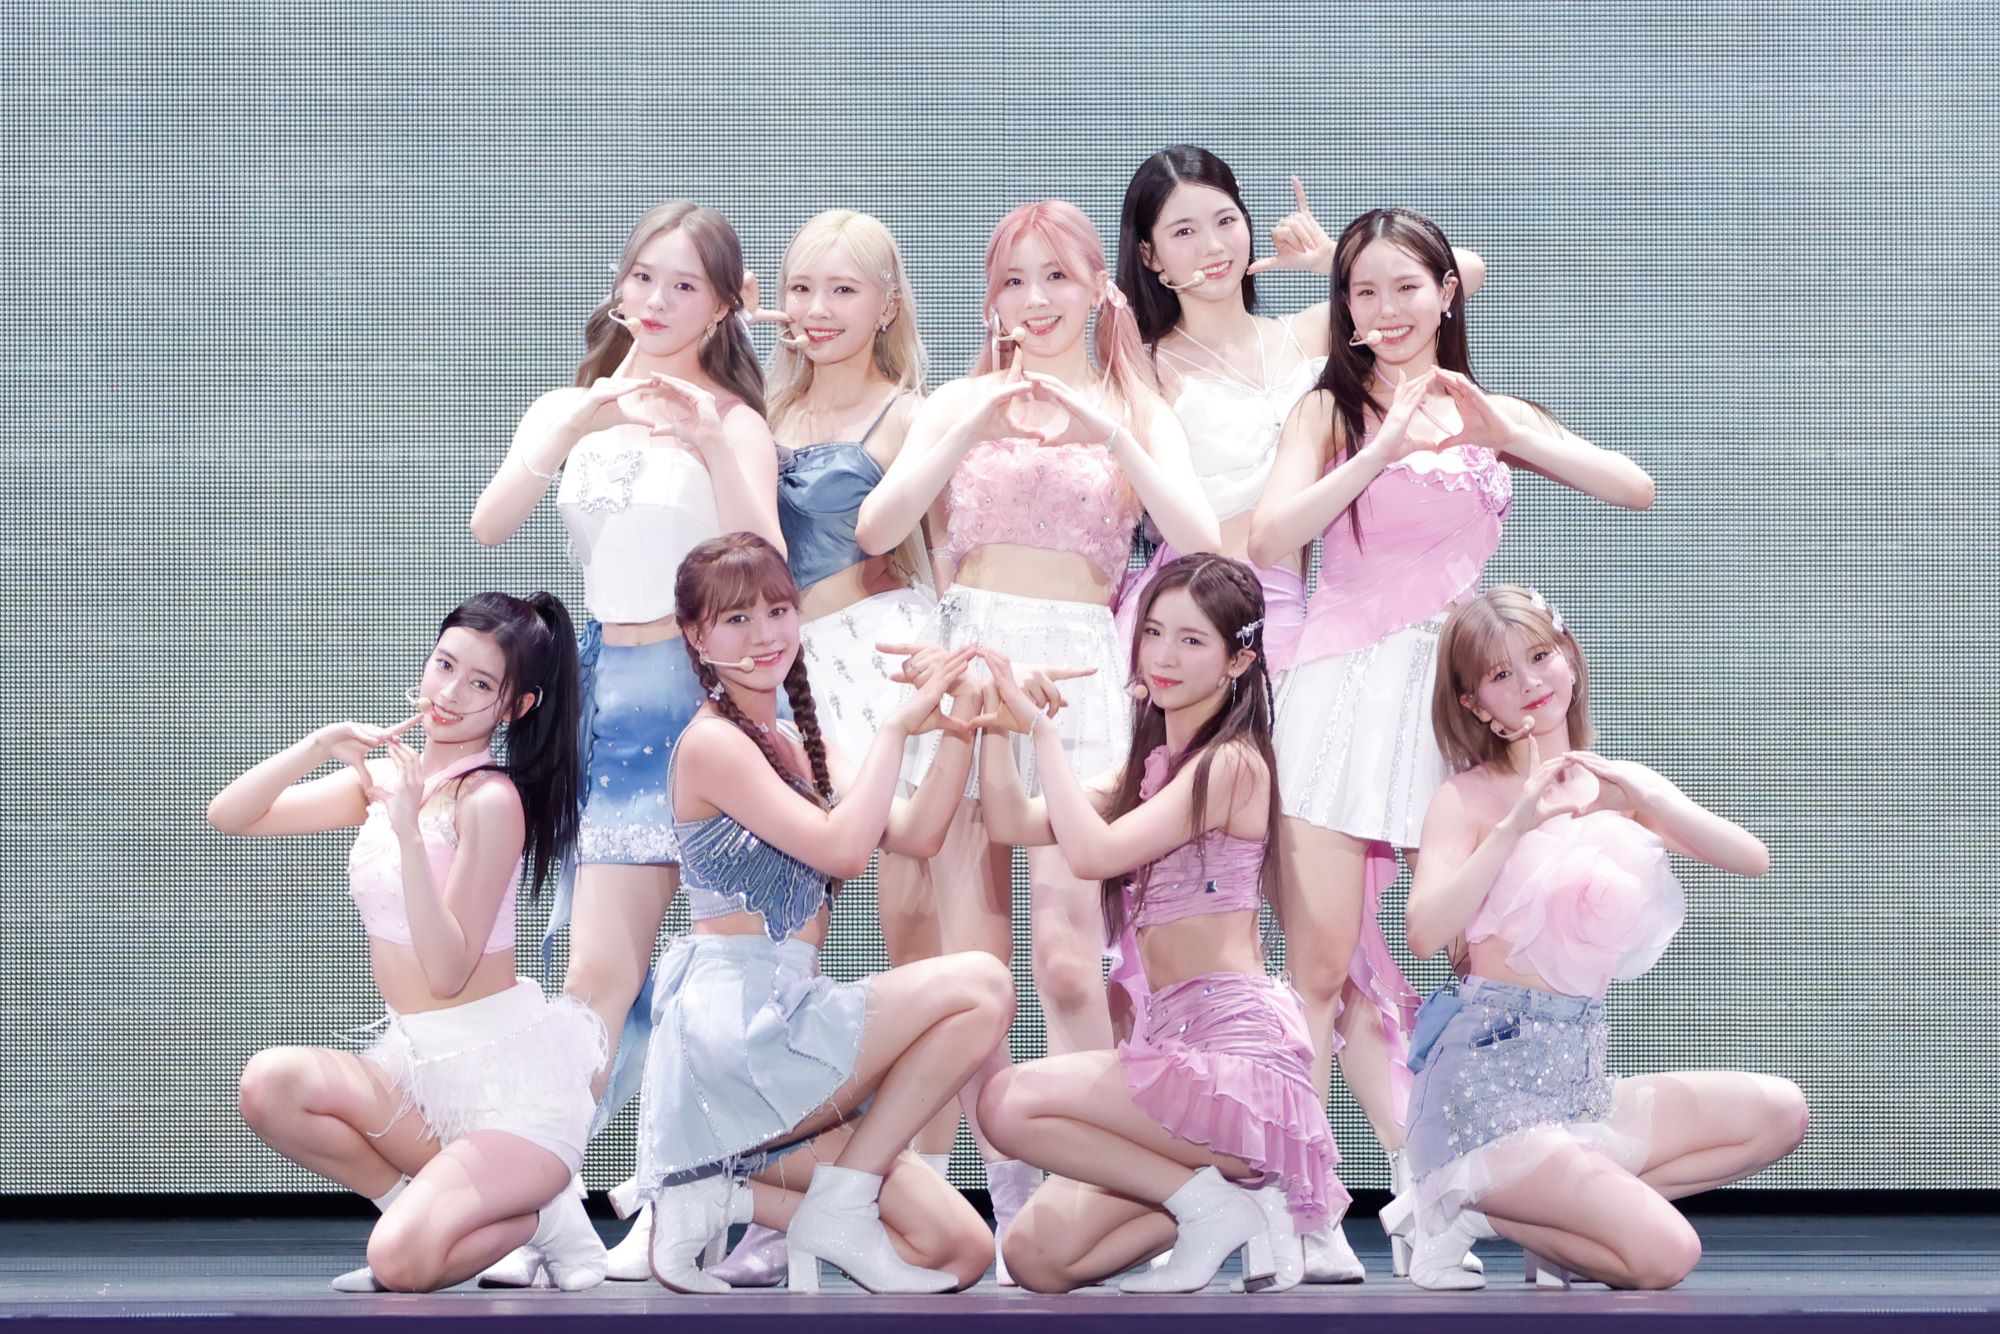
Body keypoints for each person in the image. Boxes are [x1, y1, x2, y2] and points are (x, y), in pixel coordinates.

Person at [1247, 205, 1654, 1275]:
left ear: (1446, 294)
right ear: (1343, 308)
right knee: (1320, 967)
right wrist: (1382, 443)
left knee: (1487, 960)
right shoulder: (1326, 409)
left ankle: (1469, 1196)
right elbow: (1271, 535)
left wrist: (1499, 432)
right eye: (1361, 291)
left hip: (1455, 702)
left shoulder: (1487, 407)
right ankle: (1302, 1207)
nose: (1384, 310)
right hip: (1342, 693)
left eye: (1405, 287)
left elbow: (1633, 486)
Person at [855, 199, 1220, 1272]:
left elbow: (1203, 543)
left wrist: (1113, 433)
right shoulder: (958, 400)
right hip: (969, 668)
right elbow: (879, 527)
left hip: (1076, 678)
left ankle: (1086, 1191)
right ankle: (1010, 1201)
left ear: (1098, 287)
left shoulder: (1132, 403)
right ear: (991, 298)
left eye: (1057, 276)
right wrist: (966, 424)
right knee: (975, 967)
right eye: (1013, 280)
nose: (1035, 299)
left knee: (1067, 961)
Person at [466, 201, 785, 1277]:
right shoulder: (574, 406)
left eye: (684, 285)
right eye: (642, 277)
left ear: (725, 304)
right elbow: (490, 523)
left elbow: (766, 558)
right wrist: (568, 429)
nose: (654, 301)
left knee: (718, 976)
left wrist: (711, 440)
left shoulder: (734, 418)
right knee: (597, 974)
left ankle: (679, 1206)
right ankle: (539, 1206)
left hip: (706, 699)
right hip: (603, 693)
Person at [1386, 586, 1809, 1290]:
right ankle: (1466, 1197)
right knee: (1667, 1256)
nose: (1529, 682)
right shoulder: (1466, 798)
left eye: (1540, 656)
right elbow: (1425, 933)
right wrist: (1516, 823)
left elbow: (1750, 858)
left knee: (1779, 1112)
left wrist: (1644, 795)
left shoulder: (1619, 785)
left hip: (1576, 1089)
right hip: (1485, 1096)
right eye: (1500, 675)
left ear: (1569, 658)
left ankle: (1498, 1214)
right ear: (1475, 705)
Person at [631, 532, 1008, 1294]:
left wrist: (963, 717)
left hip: (789, 1020)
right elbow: (843, 849)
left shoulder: (799, 741)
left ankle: (727, 1197)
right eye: (736, 620)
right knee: (982, 984)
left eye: (776, 611)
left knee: (961, 1249)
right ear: (696, 637)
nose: (763, 634)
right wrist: (897, 727)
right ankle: (835, 1198)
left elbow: (917, 833)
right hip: (740, 1031)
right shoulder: (711, 746)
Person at [214, 592, 608, 1292]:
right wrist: (319, 744)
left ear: (516, 707)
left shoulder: (490, 799)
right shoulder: (390, 781)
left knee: (397, 1264)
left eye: (480, 684)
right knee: (269, 1085)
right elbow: (231, 815)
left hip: (509, 1099)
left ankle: (539, 1215)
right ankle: (422, 1211)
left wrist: (406, 831)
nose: (449, 694)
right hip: (420, 1077)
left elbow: (448, 970)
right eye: (444, 665)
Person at [974, 556, 1347, 1294]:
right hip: (1173, 1053)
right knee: (1037, 1255)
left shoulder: (1232, 765)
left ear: (1239, 661)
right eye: (1152, 633)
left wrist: (1044, 735)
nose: (1164, 656)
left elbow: (1093, 855)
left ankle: (1212, 1206)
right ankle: (1227, 1205)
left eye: (1191, 640)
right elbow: (1011, 820)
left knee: (1007, 1102)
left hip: (1235, 1063)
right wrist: (997, 717)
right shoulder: (1148, 771)